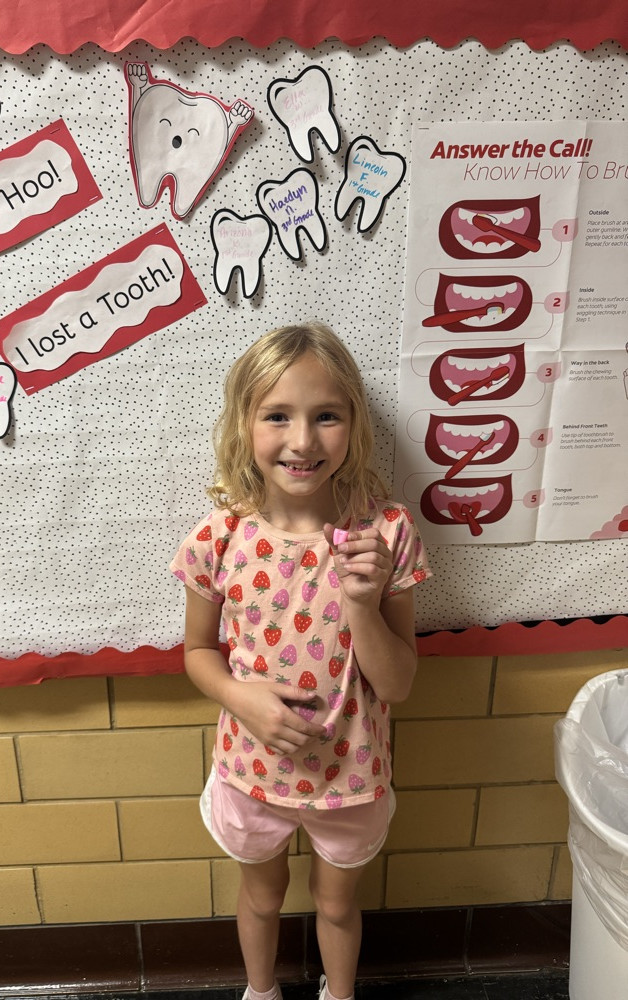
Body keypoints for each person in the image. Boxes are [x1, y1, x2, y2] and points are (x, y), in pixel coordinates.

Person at [170, 322, 432, 1000]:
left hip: (350, 774)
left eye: (326, 417)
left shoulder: (386, 534)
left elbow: (398, 684)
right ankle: (260, 990)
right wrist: (241, 698)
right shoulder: (218, 536)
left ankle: (338, 992)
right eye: (277, 416)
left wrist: (362, 604)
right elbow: (198, 652)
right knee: (261, 899)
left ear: (353, 425)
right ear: (244, 424)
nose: (302, 441)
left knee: (338, 904)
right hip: (252, 769)